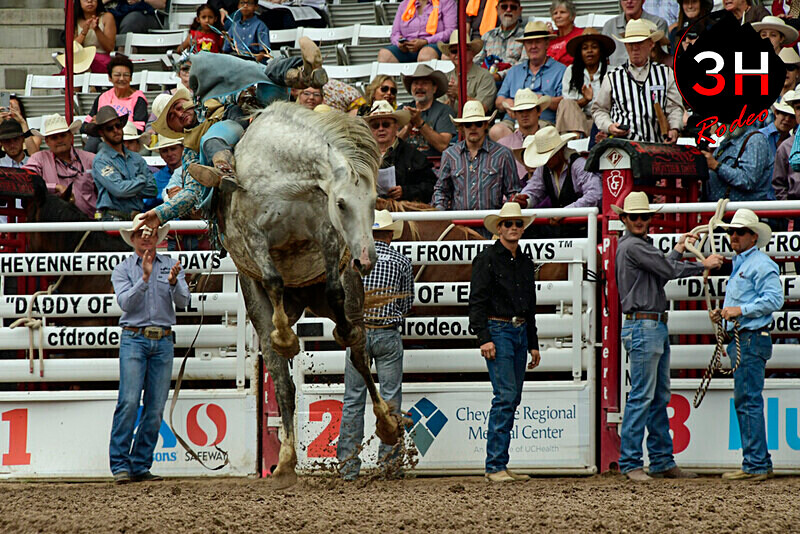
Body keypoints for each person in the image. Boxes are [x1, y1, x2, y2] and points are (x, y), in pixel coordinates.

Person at [135, 42, 328, 232]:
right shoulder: (191, 152)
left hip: (261, 109)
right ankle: (223, 170)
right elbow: (191, 193)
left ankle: (304, 75)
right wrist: (160, 214)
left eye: (178, 108)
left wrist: (245, 93)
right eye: (173, 118)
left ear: (186, 101)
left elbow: (235, 87)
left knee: (266, 73)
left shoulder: (211, 97)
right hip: (236, 127)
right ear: (174, 130)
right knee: (210, 140)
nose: (179, 114)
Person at [613, 191, 723, 481]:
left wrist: (677, 250)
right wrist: (703, 264)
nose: (639, 221)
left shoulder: (634, 246)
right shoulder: (636, 247)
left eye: (642, 217)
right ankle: (634, 462)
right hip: (647, 325)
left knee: (654, 395)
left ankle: (658, 460)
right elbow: (667, 269)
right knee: (645, 396)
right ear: (625, 219)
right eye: (634, 217)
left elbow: (661, 270)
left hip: (648, 324)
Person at [109, 216, 190, 484]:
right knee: (130, 401)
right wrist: (144, 279)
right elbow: (126, 304)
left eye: (150, 233)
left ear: (157, 237)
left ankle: (138, 464)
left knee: (154, 407)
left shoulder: (171, 266)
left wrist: (174, 282)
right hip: (136, 337)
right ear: (133, 238)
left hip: (160, 340)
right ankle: (123, 464)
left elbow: (184, 301)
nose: (146, 237)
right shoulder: (122, 269)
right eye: (141, 233)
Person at [337, 210, 413, 481]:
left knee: (353, 400)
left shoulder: (353, 260)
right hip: (387, 333)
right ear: (391, 234)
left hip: (358, 334)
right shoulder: (401, 261)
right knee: (391, 399)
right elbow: (406, 306)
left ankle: (347, 465)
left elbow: (343, 299)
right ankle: (390, 464)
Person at [469, 202, 540, 483]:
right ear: (499, 228)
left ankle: (499, 463)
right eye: (508, 224)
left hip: (517, 330)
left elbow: (530, 305)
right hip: (498, 329)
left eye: (517, 224)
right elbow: (477, 301)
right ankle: (495, 465)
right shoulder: (486, 259)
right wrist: (483, 337)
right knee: (506, 396)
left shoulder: (523, 261)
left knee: (510, 397)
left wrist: (533, 341)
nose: (513, 228)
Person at [714, 209, 783, 481]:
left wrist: (738, 311)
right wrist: (728, 314)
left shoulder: (759, 264)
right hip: (746, 338)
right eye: (732, 231)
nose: (734, 236)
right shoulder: (745, 263)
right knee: (747, 399)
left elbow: (774, 300)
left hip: (751, 337)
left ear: (753, 236)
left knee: (747, 400)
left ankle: (754, 464)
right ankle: (757, 461)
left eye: (740, 232)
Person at [592, 19, 683, 144]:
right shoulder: (612, 76)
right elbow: (599, 110)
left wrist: (674, 128)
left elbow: (674, 107)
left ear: (651, 44)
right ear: (625, 45)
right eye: (630, 43)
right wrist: (609, 126)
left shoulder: (665, 73)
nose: (634, 48)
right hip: (624, 146)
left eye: (639, 43)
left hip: (657, 145)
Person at [432, 101, 520, 226]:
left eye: (478, 124)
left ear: (485, 125)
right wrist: (440, 214)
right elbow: (441, 190)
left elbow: (513, 192)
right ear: (461, 128)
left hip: (492, 228)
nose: (473, 128)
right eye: (468, 124)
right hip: (460, 230)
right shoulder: (449, 155)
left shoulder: (503, 154)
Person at [512, 126, 601, 228]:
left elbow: (595, 194)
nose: (546, 161)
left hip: (585, 227)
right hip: (564, 229)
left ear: (560, 151)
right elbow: (534, 189)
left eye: (550, 156)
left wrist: (565, 212)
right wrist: (525, 201)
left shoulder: (579, 165)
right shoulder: (544, 168)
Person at [90, 106, 157, 221]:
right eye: (110, 128)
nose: (115, 130)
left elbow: (153, 189)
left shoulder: (136, 157)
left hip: (136, 217)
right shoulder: (101, 160)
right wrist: (141, 179)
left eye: (118, 125)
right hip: (113, 219)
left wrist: (129, 187)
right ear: (101, 132)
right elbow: (120, 190)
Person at [24, 114, 97, 218]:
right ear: (47, 141)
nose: (59, 140)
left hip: (89, 221)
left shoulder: (91, 159)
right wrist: (55, 187)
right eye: (54, 137)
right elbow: (26, 181)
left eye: (63, 135)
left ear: (71, 136)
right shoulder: (38, 159)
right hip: (54, 225)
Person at [496, 21, 566, 127]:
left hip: (544, 122)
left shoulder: (561, 70)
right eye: (529, 42)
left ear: (547, 44)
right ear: (524, 46)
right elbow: (498, 101)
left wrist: (544, 100)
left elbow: (565, 102)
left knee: (539, 134)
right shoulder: (514, 71)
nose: (533, 46)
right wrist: (506, 103)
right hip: (512, 122)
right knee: (496, 131)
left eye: (538, 42)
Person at [367, 101, 438, 203]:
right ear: (369, 129)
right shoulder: (362, 155)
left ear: (396, 126)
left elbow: (431, 186)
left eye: (386, 124)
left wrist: (405, 191)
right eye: (375, 126)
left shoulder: (413, 155)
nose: (381, 129)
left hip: (403, 213)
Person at [82, 54, 149, 154]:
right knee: (94, 142)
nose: (121, 79)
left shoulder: (138, 99)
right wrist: (94, 124)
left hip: (126, 142)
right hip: (103, 139)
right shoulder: (103, 97)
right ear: (110, 77)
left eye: (126, 75)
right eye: (117, 75)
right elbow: (84, 127)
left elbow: (139, 129)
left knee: (101, 147)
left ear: (131, 78)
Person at [556, 29, 614, 138]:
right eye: (585, 48)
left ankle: (575, 143)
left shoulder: (612, 72)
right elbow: (569, 108)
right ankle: (576, 139)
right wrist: (586, 100)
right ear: (580, 52)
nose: (589, 51)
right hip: (579, 121)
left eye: (594, 47)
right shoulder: (571, 71)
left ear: (601, 51)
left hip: (604, 122)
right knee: (565, 103)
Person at [701, 123, 774, 202]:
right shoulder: (729, 140)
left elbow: (748, 180)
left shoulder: (755, 140)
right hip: (719, 207)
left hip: (740, 209)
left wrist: (716, 166)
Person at [397, 65, 457, 158]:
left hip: (433, 167)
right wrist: (407, 128)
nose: (419, 87)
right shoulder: (402, 109)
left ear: (434, 88)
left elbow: (443, 146)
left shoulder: (444, 111)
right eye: (416, 83)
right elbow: (391, 146)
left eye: (424, 83)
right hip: (405, 167)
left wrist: (419, 123)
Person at [498, 88, 550, 181]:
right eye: (520, 111)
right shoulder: (503, 145)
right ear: (514, 114)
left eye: (529, 110)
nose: (524, 114)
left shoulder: (551, 140)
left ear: (538, 112)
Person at [379, 0, 456, 63]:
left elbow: (450, 31)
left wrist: (425, 41)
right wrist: (399, 43)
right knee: (384, 55)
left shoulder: (446, 2)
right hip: (407, 47)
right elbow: (395, 33)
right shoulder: (404, 4)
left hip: (433, 45)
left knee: (426, 55)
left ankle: (422, 82)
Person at [439, 31, 498, 113]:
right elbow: (438, 112)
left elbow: (482, 109)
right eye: (454, 51)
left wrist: (459, 95)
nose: (458, 54)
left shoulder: (485, 76)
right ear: (449, 55)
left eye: (462, 50)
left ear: (472, 53)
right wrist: (450, 101)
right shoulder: (444, 78)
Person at [473, 0, 526, 86]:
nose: (508, 10)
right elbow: (477, 62)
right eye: (504, 7)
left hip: (514, 84)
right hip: (487, 84)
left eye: (513, 7)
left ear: (520, 10)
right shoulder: (487, 36)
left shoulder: (525, 37)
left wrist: (499, 76)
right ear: (497, 9)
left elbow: (524, 65)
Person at [602, 0, 668, 67]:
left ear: (643, 1)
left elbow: (662, 58)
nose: (629, 1)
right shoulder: (610, 25)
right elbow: (603, 60)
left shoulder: (657, 23)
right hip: (616, 74)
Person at [72, 0, 116, 74]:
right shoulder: (75, 19)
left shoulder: (107, 17)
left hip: (102, 58)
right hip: (82, 59)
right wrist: (84, 32)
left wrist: (97, 29)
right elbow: (73, 48)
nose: (89, 1)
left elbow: (109, 47)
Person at [142, 133, 184, 210]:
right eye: (165, 151)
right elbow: (146, 204)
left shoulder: (194, 172)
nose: (169, 154)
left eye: (173, 149)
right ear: (160, 154)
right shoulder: (155, 178)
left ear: (182, 149)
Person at [760, 95, 796, 161]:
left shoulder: (793, 143)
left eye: (792, 116)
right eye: (784, 114)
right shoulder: (761, 135)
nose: (787, 119)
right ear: (776, 113)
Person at [547, 0, 584, 65]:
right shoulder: (550, 37)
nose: (558, 16)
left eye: (562, 12)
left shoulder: (581, 35)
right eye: (555, 13)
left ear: (573, 16)